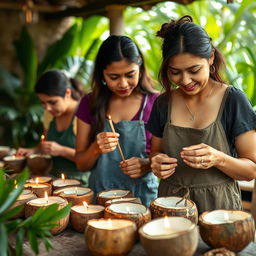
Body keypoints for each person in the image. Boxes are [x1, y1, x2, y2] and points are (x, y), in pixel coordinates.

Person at [146, 15, 256, 214]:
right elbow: (155, 152)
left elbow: (251, 170)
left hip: (219, 209)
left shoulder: (233, 100)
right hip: (170, 206)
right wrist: (156, 163)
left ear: (211, 57)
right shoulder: (163, 103)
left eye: (194, 70)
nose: (185, 80)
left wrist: (218, 158)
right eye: (175, 72)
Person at [75, 35, 159, 206]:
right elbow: (81, 165)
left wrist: (147, 164)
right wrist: (95, 149)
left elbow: (161, 157)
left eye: (130, 75)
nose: (123, 83)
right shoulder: (89, 103)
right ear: (102, 75)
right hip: (101, 199)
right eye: (113, 77)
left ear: (140, 69)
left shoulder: (156, 103)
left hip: (142, 199)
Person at [17, 69, 90, 186]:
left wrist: (62, 150)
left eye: (52, 102)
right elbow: (46, 143)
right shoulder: (49, 114)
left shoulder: (84, 114)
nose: (47, 108)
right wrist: (33, 150)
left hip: (81, 184)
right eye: (43, 103)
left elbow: (91, 160)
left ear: (67, 93)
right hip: (54, 179)